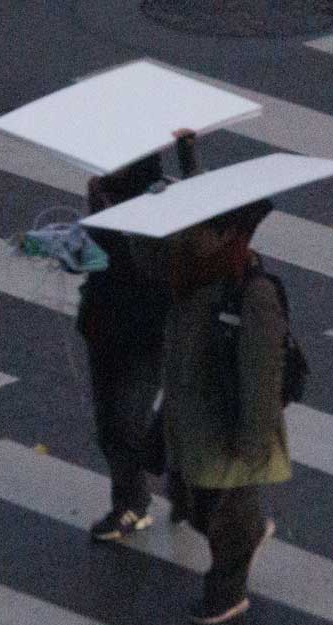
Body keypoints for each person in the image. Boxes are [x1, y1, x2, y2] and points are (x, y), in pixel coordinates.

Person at [162, 199, 289, 624]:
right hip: (191, 417)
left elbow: (262, 377)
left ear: (228, 237)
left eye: (201, 231)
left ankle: (226, 594)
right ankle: (248, 532)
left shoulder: (253, 294)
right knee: (200, 507)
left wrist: (254, 445)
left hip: (228, 427)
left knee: (224, 518)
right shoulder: (191, 275)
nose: (188, 238)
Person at [81, 131, 199, 541]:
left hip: (146, 327)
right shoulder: (101, 190)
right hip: (102, 319)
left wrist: (188, 155)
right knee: (109, 423)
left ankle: (138, 500)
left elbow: (177, 256)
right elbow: (95, 254)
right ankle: (134, 498)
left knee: (127, 421)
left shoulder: (160, 200)